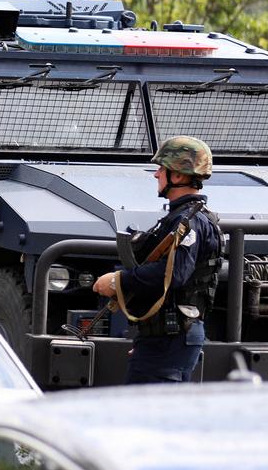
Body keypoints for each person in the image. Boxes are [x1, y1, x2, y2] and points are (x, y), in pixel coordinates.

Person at [93, 136, 223, 384]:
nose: (156, 174)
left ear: (178, 176)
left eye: (162, 169)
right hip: (165, 339)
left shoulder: (188, 221)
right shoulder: (188, 218)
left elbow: (173, 274)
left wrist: (118, 281)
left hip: (170, 339)